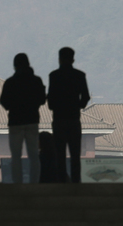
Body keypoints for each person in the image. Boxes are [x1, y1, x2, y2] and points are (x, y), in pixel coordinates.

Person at [0, 52, 47, 183]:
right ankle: (34, 183)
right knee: (34, 156)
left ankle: (17, 184)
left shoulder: (10, 82)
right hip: (32, 121)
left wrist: (13, 106)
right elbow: (43, 100)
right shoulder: (36, 81)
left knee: (16, 156)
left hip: (15, 122)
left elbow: (3, 101)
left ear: (15, 66)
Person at [47, 46, 91, 183]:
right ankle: (76, 182)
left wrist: (54, 107)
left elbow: (51, 97)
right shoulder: (80, 75)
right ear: (73, 59)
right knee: (75, 154)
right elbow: (86, 96)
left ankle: (61, 182)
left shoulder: (54, 76)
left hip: (59, 119)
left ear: (59, 59)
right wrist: (78, 106)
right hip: (73, 118)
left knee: (59, 154)